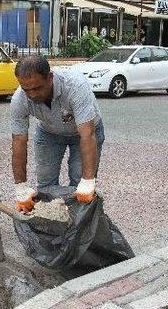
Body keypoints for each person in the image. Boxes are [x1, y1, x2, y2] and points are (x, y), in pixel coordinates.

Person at [10, 55, 105, 212]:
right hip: (49, 133)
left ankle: (77, 228)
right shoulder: (19, 99)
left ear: (50, 78)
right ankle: (52, 225)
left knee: (79, 183)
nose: (32, 94)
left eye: (37, 88)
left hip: (83, 132)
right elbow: (18, 141)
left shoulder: (74, 86)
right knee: (46, 183)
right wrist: (20, 187)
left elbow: (87, 134)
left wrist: (88, 181)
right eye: (26, 89)